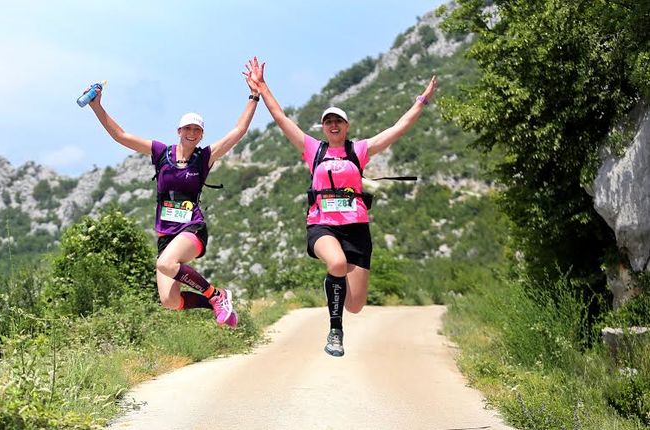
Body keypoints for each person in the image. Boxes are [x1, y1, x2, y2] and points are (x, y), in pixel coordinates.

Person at [245, 56, 437, 355]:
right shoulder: (313, 149)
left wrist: (421, 101)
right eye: (328, 121)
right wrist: (262, 87)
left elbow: (398, 129)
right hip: (321, 224)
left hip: (356, 228)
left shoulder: (359, 150)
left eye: (338, 121)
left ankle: (338, 293)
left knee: (357, 304)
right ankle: (335, 331)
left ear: (346, 126)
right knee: (335, 263)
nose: (333, 124)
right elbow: (281, 118)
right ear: (323, 127)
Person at [86, 75, 261, 328]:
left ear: (201, 135)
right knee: (170, 300)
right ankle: (216, 301)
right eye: (187, 128)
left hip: (192, 228)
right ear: (179, 131)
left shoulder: (205, 157)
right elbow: (121, 135)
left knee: (166, 263)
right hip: (166, 234)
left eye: (197, 130)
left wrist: (254, 96)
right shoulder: (161, 153)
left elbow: (238, 131)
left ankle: (216, 296)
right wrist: (96, 106)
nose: (192, 133)